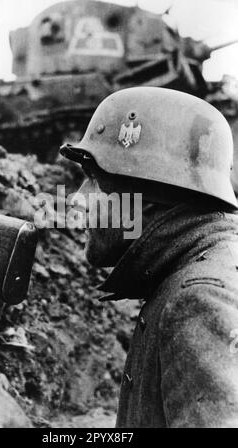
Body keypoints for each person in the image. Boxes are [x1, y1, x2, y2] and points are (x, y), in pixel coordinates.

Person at [60, 87, 238, 428]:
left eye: (94, 182)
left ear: (144, 197)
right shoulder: (195, 269)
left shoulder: (199, 299)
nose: (77, 201)